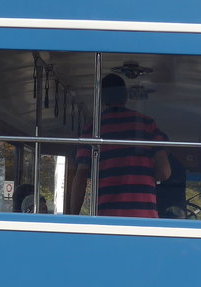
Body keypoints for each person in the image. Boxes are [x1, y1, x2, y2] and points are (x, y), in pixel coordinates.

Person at [69, 73, 170, 217]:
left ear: (101, 98)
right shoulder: (147, 124)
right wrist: (141, 175)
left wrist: (74, 217)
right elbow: (165, 172)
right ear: (125, 96)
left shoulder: (93, 128)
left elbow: (81, 176)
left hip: (107, 216)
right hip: (145, 216)